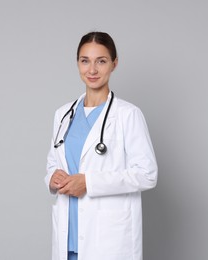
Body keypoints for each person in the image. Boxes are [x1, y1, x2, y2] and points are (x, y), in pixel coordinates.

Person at [45, 32, 158, 260]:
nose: (92, 70)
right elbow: (52, 163)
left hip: (107, 239)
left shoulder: (128, 115)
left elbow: (147, 174)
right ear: (77, 63)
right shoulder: (63, 115)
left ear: (114, 64)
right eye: (85, 60)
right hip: (68, 235)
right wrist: (51, 178)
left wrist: (89, 182)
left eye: (101, 61)